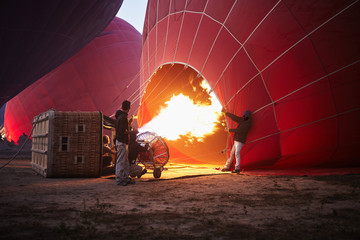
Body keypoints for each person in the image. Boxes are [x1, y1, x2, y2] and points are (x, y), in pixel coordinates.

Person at [115, 100, 138, 186]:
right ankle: (119, 179)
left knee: (125, 161)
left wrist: (129, 122)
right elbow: (123, 131)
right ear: (129, 108)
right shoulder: (123, 118)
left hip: (122, 142)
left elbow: (123, 128)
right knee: (121, 161)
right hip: (122, 142)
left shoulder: (120, 116)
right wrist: (133, 132)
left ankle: (125, 177)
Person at [221, 108, 252, 173]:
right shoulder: (243, 120)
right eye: (244, 116)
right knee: (232, 154)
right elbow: (235, 118)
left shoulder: (248, 124)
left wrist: (230, 130)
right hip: (236, 140)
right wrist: (226, 113)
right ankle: (227, 166)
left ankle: (237, 168)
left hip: (240, 141)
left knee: (237, 153)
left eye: (245, 116)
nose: (244, 117)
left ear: (248, 117)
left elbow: (240, 130)